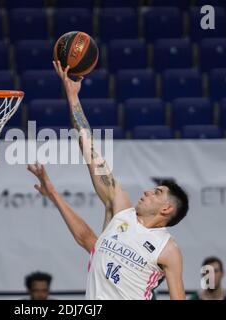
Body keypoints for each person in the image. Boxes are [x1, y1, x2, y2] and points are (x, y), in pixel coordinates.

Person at [26, 62, 189, 300]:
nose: (147, 192)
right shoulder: (121, 210)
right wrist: (72, 98)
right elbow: (87, 239)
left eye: (157, 192)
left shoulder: (168, 249)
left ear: (167, 208)